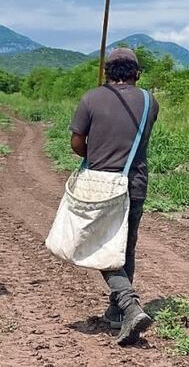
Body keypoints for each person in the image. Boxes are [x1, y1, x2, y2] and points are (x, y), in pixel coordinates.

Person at [69, 48, 160, 346]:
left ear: (107, 72)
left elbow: (76, 144)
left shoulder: (90, 99)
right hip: (134, 183)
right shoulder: (150, 101)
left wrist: (95, 151)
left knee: (100, 244)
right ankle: (117, 311)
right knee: (125, 248)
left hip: (100, 184)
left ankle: (129, 305)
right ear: (137, 74)